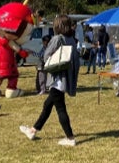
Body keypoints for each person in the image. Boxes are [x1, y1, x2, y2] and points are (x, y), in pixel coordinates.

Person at [20, 15, 81, 146]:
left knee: (60, 108)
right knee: (48, 105)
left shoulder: (57, 38)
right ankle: (33, 130)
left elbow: (46, 54)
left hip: (57, 78)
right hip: (65, 77)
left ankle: (70, 138)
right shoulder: (71, 39)